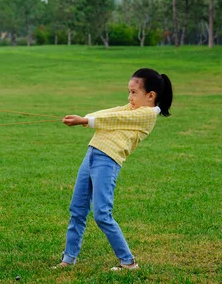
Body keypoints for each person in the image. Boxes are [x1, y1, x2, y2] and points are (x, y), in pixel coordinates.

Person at [54, 68, 173, 271]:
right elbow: (112, 112)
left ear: (151, 96)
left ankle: (128, 262)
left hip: (107, 161)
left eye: (134, 92)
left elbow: (117, 119)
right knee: (77, 209)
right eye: (129, 92)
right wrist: (86, 117)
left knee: (102, 214)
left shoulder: (147, 115)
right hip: (92, 153)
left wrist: (85, 121)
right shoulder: (132, 108)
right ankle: (69, 258)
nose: (129, 97)